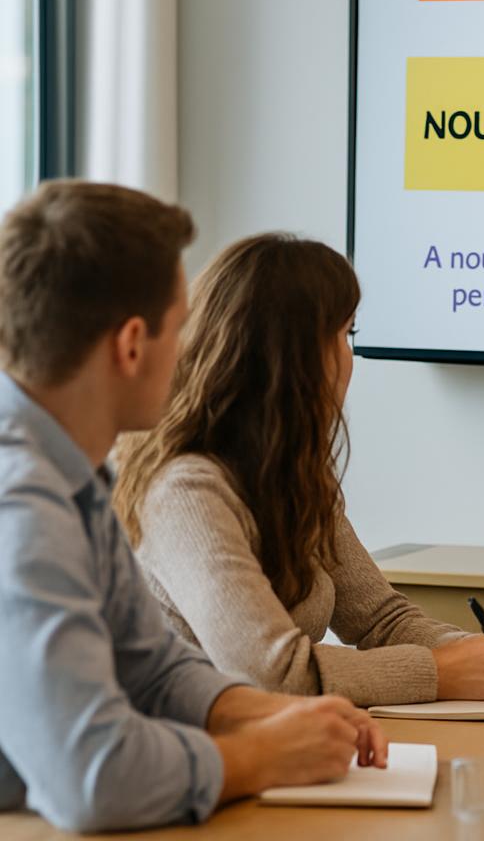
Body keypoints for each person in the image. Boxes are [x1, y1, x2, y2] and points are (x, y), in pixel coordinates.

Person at [0, 182, 387, 833]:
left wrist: (262, 714)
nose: (196, 349)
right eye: (180, 327)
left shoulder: (73, 476)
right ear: (131, 345)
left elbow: (151, 666)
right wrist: (263, 754)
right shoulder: (23, 507)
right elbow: (93, 776)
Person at [114, 233, 484, 707]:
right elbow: (268, 674)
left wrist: (474, 653)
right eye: (345, 334)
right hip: (190, 763)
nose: (350, 358)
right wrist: (439, 672)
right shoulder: (183, 490)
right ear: (292, 357)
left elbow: (379, 620)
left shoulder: (292, 473)